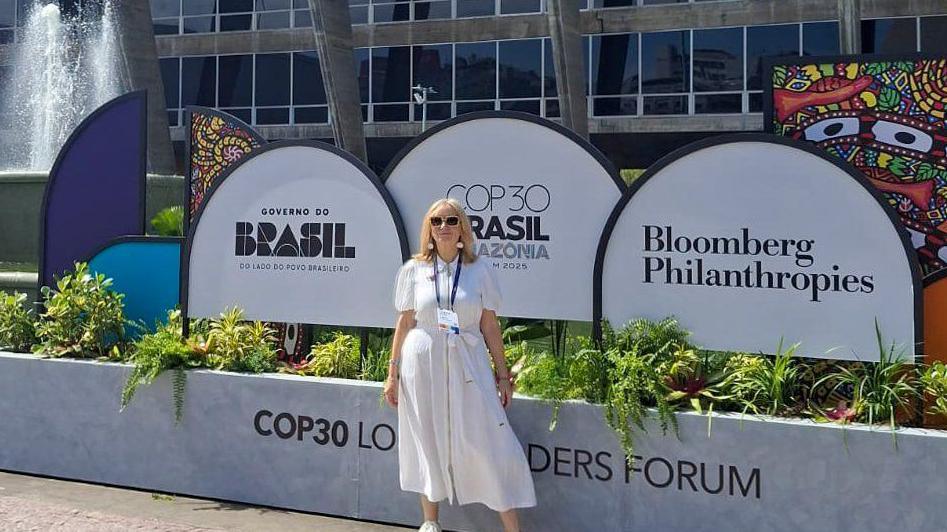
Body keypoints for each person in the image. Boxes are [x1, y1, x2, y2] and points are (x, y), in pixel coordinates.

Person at [384, 198, 536, 532]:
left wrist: (502, 375)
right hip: (421, 361)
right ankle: (430, 521)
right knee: (426, 435)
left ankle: (513, 528)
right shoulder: (414, 270)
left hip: (469, 360)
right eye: (436, 221)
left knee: (489, 439)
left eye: (451, 220)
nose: (443, 227)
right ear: (428, 229)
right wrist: (392, 373)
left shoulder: (480, 270)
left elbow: (490, 326)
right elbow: (404, 322)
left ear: (462, 228)